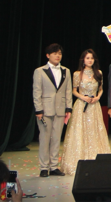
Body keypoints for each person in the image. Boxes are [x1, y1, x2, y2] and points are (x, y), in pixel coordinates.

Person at [60, 49, 111, 175]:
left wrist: (97, 97)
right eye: (87, 58)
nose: (90, 60)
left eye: (92, 58)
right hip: (81, 105)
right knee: (80, 132)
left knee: (95, 131)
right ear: (83, 60)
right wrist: (83, 97)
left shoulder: (99, 73)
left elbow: (101, 89)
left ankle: (95, 158)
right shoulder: (77, 74)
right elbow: (74, 90)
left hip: (94, 106)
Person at [33, 43, 73, 178]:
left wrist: (68, 108)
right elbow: (37, 91)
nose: (58, 56)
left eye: (59, 53)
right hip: (45, 109)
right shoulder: (40, 71)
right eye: (55, 53)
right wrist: (38, 109)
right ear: (48, 55)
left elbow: (68, 91)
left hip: (60, 109)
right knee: (45, 138)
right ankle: (44, 167)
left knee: (56, 138)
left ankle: (54, 166)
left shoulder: (66, 71)